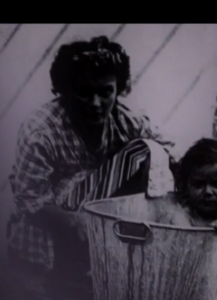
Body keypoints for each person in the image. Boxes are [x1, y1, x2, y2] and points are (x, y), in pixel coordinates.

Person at [6, 35, 177, 299]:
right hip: (41, 253)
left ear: (117, 89)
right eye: (84, 92)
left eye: (105, 91)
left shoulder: (127, 121)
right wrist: (81, 222)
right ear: (65, 89)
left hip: (95, 254)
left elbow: (170, 156)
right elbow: (30, 202)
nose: (96, 103)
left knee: (149, 150)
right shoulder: (39, 132)